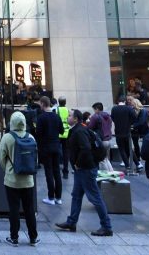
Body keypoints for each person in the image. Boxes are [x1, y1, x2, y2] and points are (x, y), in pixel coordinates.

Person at [55, 109, 112, 237]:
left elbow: (85, 148)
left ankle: (106, 226)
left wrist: (78, 163)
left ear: (75, 119)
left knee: (95, 198)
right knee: (76, 195)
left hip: (86, 169)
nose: (67, 117)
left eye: (69, 116)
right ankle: (71, 222)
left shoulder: (79, 131)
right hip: (82, 170)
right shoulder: (78, 129)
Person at [0, 111, 39, 246]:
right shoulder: (31, 137)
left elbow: (1, 158)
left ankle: (14, 237)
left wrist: (9, 170)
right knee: (29, 209)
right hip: (28, 180)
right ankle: (33, 237)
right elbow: (35, 159)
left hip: (12, 180)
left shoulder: (7, 137)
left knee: (14, 209)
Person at [35, 96, 64, 205]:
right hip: (56, 147)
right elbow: (61, 130)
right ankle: (59, 198)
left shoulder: (41, 118)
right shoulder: (56, 117)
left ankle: (51, 197)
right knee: (57, 172)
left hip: (46, 148)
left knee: (49, 172)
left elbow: (38, 133)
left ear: (42, 104)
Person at [111, 96, 135, 175]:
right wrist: (129, 124)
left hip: (118, 132)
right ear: (124, 101)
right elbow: (134, 118)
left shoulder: (114, 109)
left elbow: (113, 118)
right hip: (127, 131)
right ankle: (137, 164)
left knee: (121, 149)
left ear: (118, 101)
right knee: (129, 149)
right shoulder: (129, 109)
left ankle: (127, 165)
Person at [87, 102, 114, 172]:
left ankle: (107, 176)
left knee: (102, 160)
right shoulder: (108, 116)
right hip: (108, 140)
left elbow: (90, 128)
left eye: (94, 110)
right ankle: (111, 173)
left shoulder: (95, 116)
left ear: (97, 109)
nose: (94, 111)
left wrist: (88, 122)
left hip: (101, 141)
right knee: (106, 159)